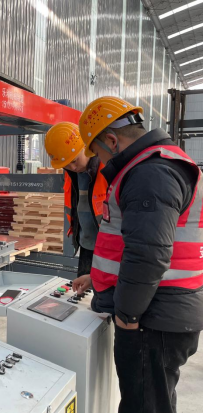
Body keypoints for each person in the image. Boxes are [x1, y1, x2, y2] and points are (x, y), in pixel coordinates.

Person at [76, 96, 203, 413]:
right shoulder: (156, 165)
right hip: (161, 309)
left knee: (144, 405)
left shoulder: (150, 173)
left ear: (112, 141)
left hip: (151, 317)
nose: (100, 162)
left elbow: (148, 254)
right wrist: (98, 277)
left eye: (98, 154)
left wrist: (127, 316)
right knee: (153, 401)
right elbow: (138, 242)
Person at [44, 122, 107, 282]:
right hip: (86, 245)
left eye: (74, 160)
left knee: (105, 291)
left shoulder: (106, 167)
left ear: (85, 147)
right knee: (84, 291)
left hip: (108, 248)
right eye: (66, 165)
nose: (72, 167)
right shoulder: (71, 173)